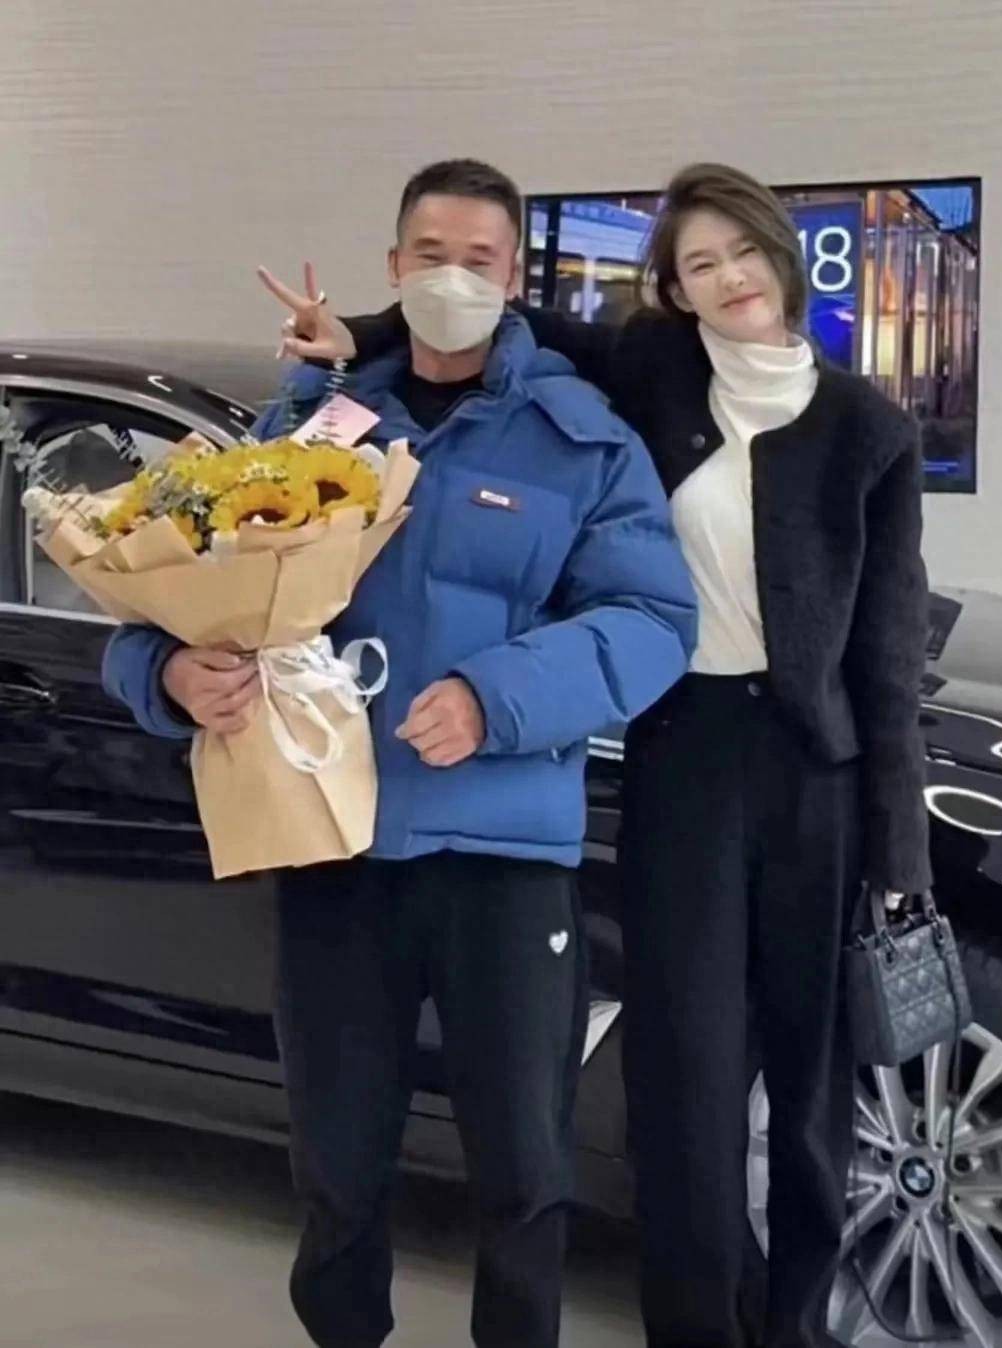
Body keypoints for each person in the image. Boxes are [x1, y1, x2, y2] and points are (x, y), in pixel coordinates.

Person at [275, 160, 932, 1348]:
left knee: (811, 1080)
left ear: (785, 258)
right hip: (682, 752)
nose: (729, 278)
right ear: (673, 290)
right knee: (684, 1079)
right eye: (699, 263)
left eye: (744, 252)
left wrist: (901, 853)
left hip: (812, 768)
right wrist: (351, 337)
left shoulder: (866, 429)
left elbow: (884, 658)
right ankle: (694, 1327)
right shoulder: (652, 376)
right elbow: (471, 303)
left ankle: (798, 1323)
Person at [102, 158, 697, 1348]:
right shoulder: (307, 430)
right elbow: (160, 604)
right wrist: (169, 675)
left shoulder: (581, 441)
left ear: (515, 277)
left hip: (503, 858)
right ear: (393, 266)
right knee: (336, 1159)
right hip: (335, 847)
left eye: (479, 260)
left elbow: (653, 621)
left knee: (525, 1169)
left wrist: (496, 697)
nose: (452, 279)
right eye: (431, 255)